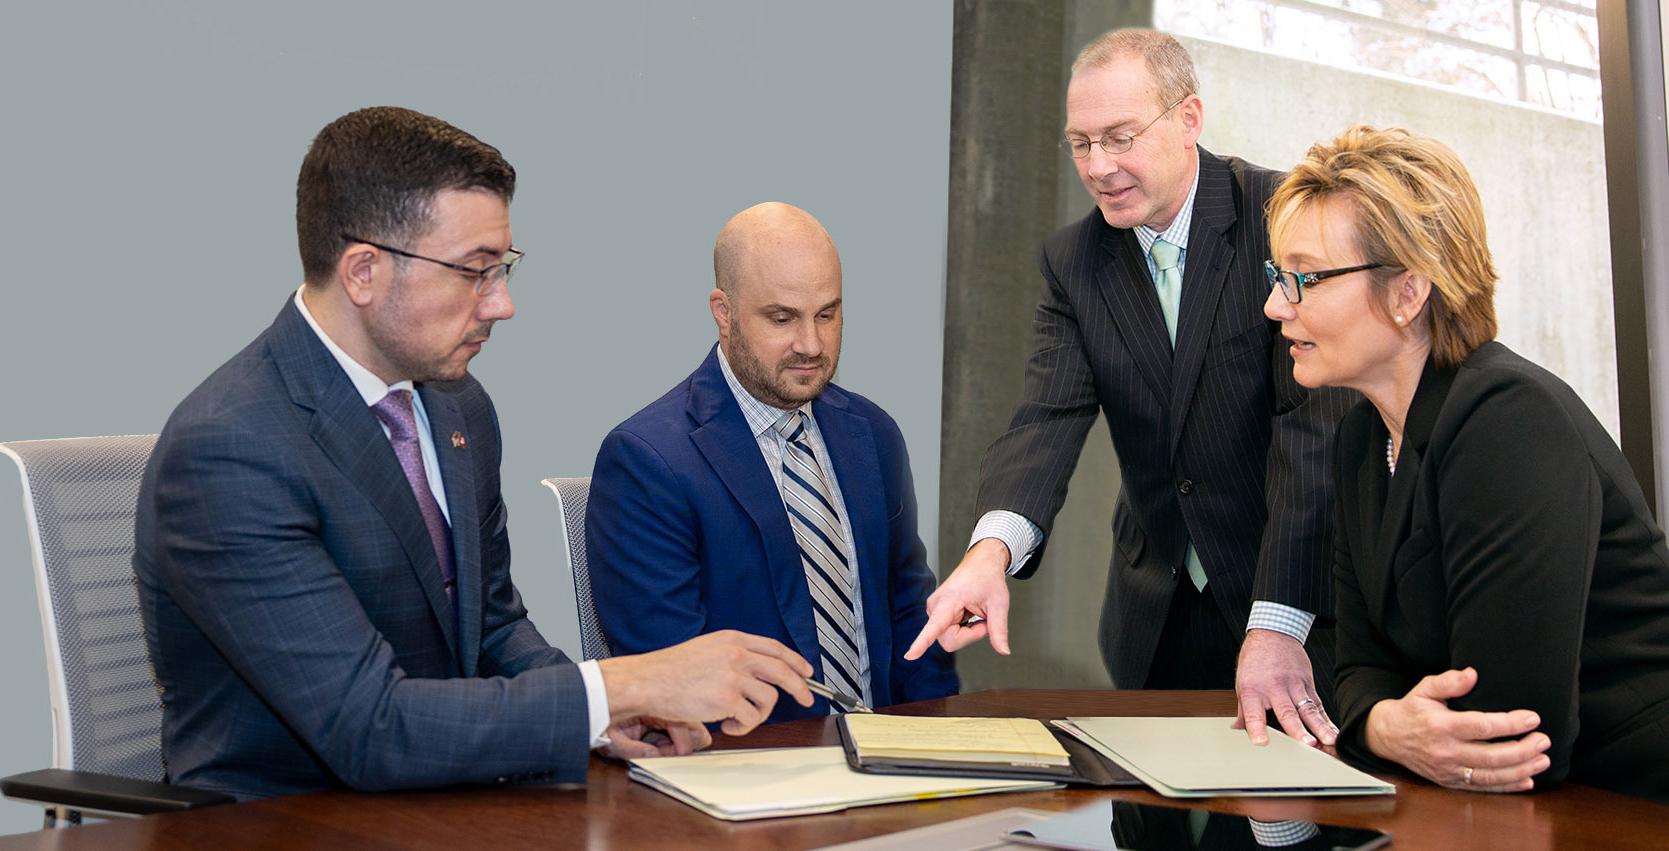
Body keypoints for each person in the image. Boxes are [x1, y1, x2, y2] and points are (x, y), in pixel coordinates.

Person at [134, 106, 817, 801]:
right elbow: (368, 728)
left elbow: (491, 625)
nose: (501, 304)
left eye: (504, 268)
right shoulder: (230, 448)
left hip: (445, 797)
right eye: (474, 272)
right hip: (285, 820)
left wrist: (603, 721)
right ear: (364, 272)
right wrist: (620, 685)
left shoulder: (457, 405)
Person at [908, 29, 1355, 751]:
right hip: (1155, 621)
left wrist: (1277, 622)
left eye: (1120, 138)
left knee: (1291, 805)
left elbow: (1316, 433)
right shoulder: (1074, 262)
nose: (1099, 166)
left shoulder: (1284, 219)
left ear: (1189, 118)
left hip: (1295, 607)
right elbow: (1046, 419)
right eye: (1080, 144)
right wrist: (988, 554)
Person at [1260, 124, 1669, 812]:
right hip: (1517, 811)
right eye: (1277, 277)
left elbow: (1506, 729)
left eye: (1304, 279)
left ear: (1409, 292)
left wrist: (1379, 724)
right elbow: (1358, 670)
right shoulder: (1359, 442)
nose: (1276, 305)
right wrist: (1383, 726)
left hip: (1647, 805)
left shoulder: (1509, 420)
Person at [587, 202, 958, 722]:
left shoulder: (874, 434)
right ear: (723, 312)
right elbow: (670, 678)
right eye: (782, 318)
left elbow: (911, 610)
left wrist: (938, 736)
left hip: (890, 751)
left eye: (827, 315)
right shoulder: (646, 460)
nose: (811, 345)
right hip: (748, 757)